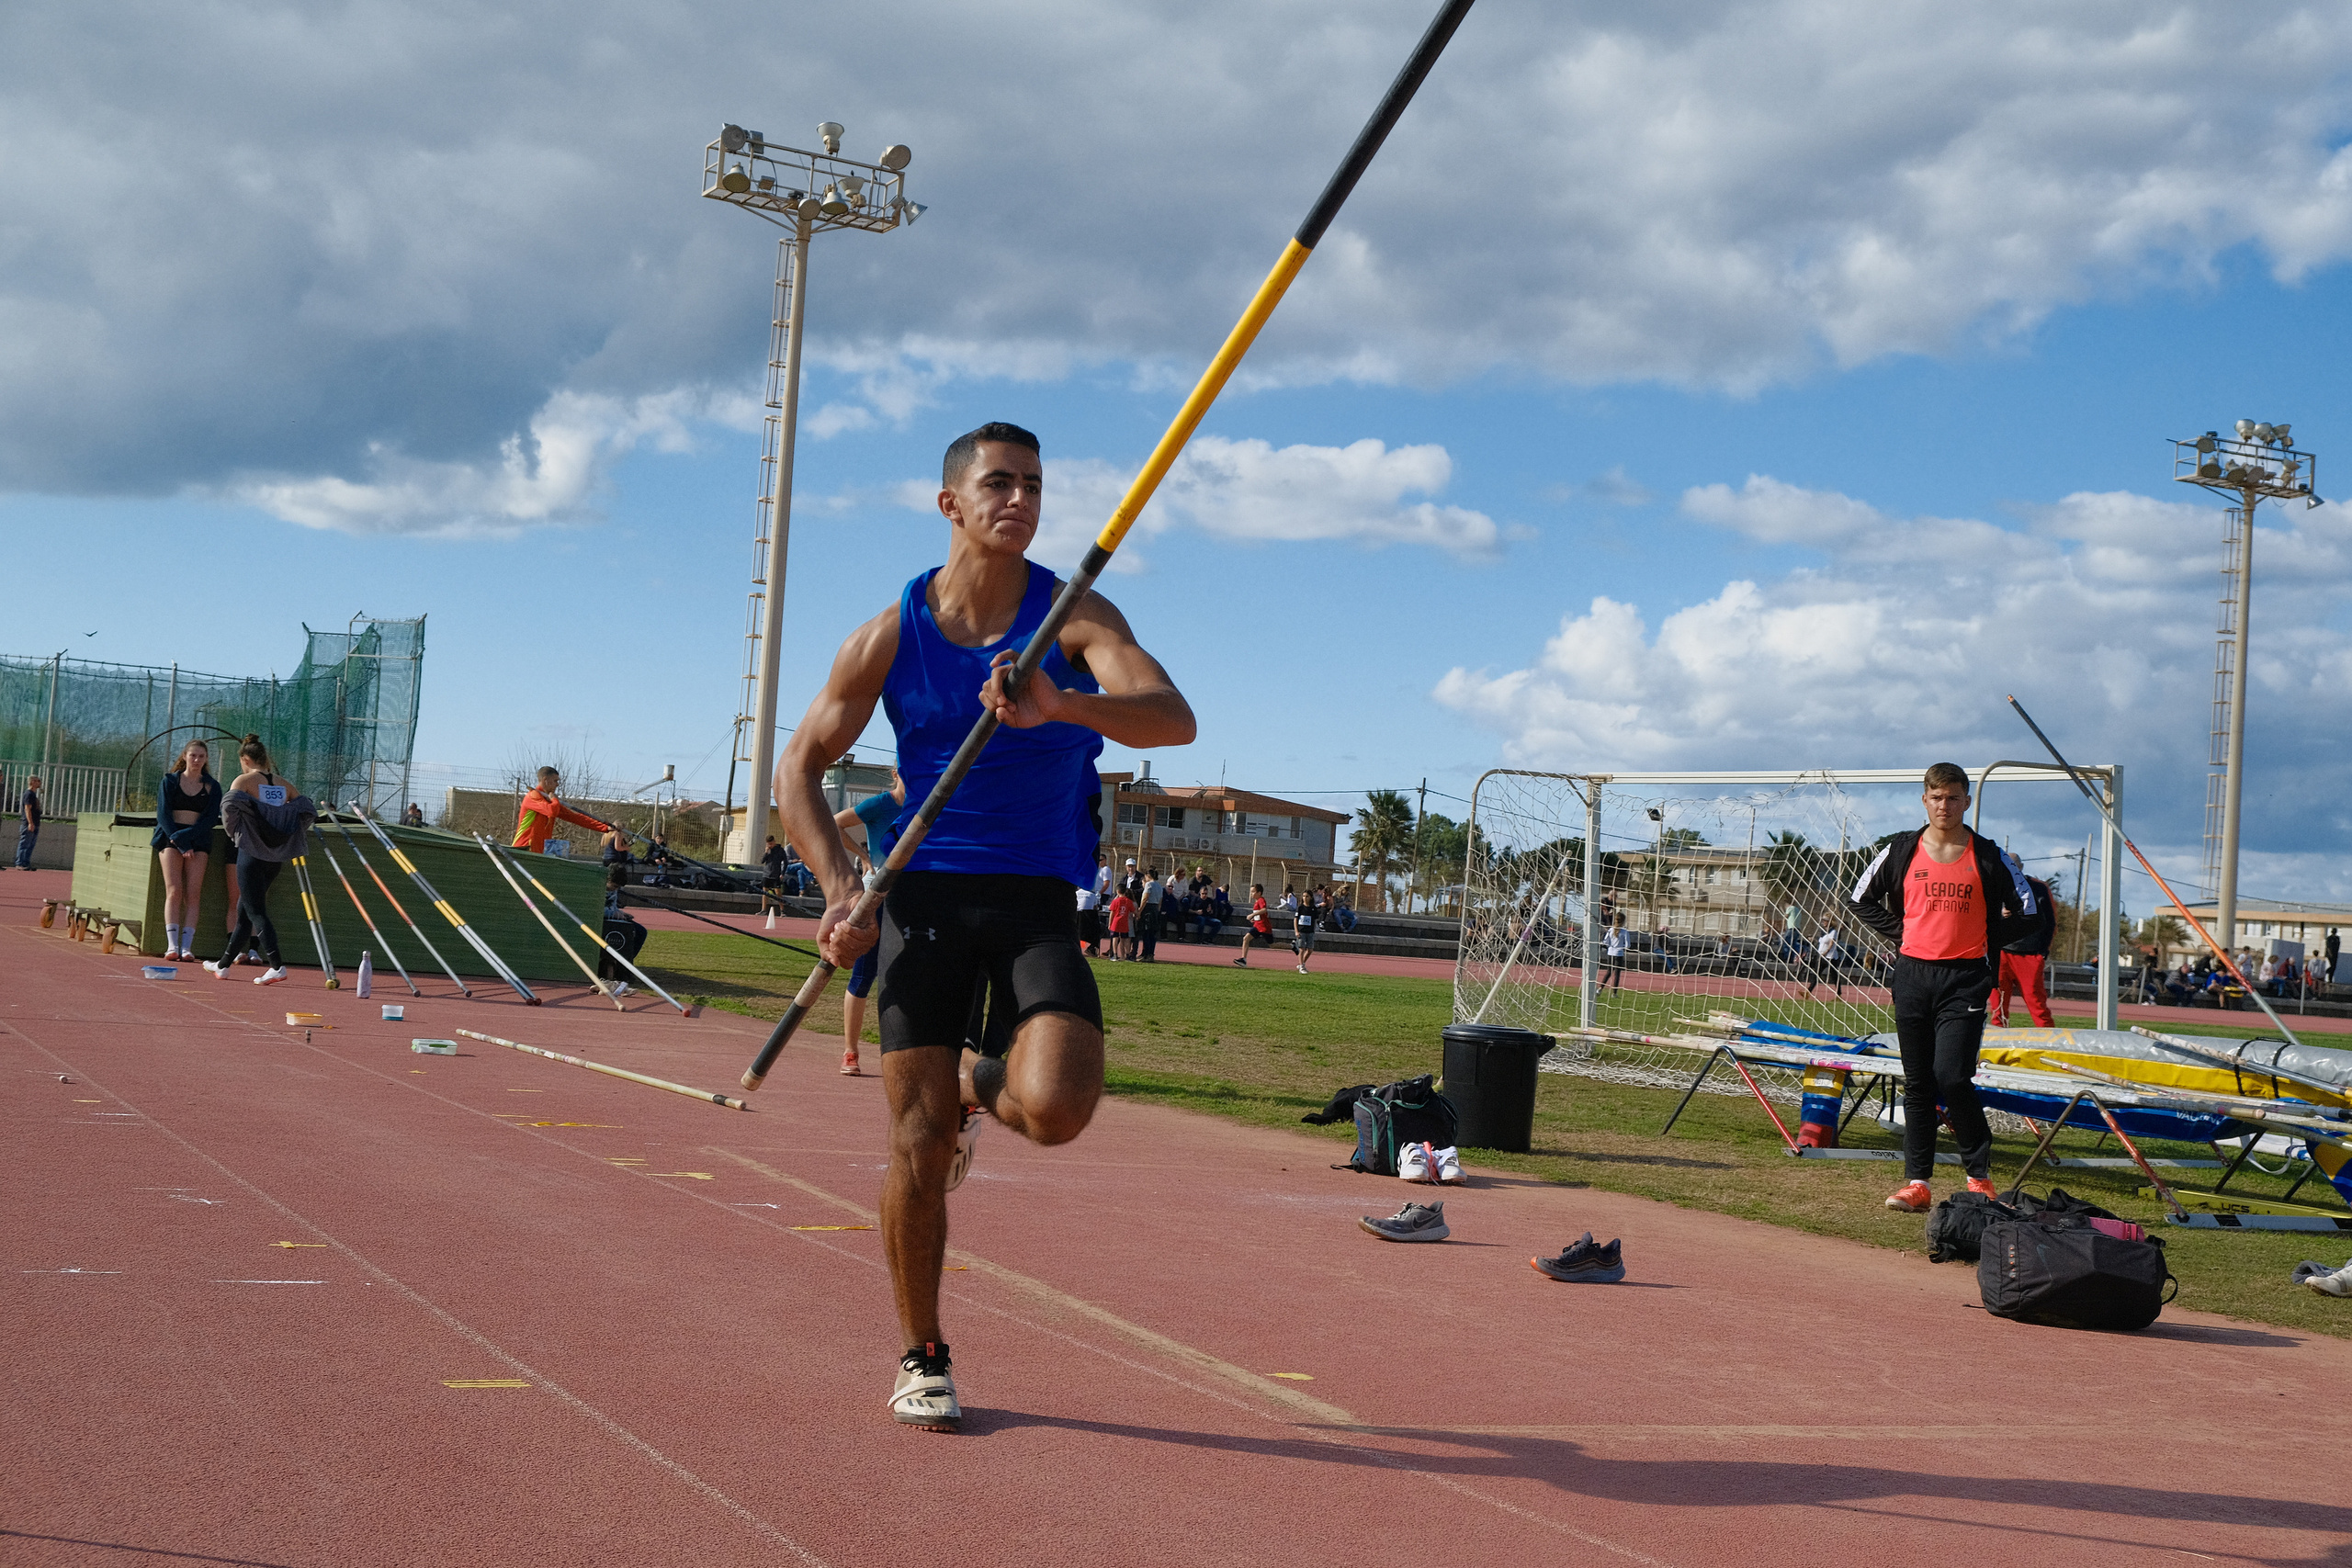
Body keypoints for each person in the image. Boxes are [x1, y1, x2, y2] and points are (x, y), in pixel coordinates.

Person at [772, 421, 1193, 1430]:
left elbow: (1171, 716)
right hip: (921, 901)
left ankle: (976, 1084)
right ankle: (923, 1354)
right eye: (999, 483)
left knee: (1054, 1110)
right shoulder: (888, 637)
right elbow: (798, 770)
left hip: (1034, 901)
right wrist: (840, 890)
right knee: (913, 1146)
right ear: (950, 504)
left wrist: (1061, 707)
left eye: (1035, 486)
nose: (1021, 500)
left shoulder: (1072, 617)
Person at [1849, 762, 2037, 1213]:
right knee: (1917, 1083)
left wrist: (1986, 938)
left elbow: (2030, 914)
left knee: (1952, 1077)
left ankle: (1980, 1178)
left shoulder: (1989, 855)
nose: (1944, 805)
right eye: (1936, 797)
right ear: (1924, 800)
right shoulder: (1900, 850)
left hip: (1966, 979)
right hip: (1913, 976)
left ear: (1967, 801)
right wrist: (1902, 932)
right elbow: (1859, 899)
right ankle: (1917, 1183)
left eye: (1953, 797)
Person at [205, 735, 318, 987]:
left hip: (251, 854)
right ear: (266, 759)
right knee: (245, 911)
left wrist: (239, 834)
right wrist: (283, 833)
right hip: (274, 858)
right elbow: (306, 810)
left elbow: (228, 808)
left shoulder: (243, 780)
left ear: (245, 760)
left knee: (255, 911)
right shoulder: (285, 784)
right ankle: (223, 965)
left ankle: (277, 965)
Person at [831, 770, 910, 1077]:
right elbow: (835, 822)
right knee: (864, 975)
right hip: (875, 895)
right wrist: (864, 856)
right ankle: (851, 1051)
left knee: (907, 975)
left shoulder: (925, 801)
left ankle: (905, 1052)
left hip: (910, 898)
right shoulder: (880, 804)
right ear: (896, 773)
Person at [150, 739, 223, 961]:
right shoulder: (169, 781)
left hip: (198, 840)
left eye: (201, 756)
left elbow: (210, 818)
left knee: (193, 893)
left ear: (206, 759)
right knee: (174, 890)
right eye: (193, 756)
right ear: (184, 756)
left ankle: (186, 947)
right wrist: (179, 841)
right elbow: (163, 815)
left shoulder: (212, 786)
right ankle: (172, 946)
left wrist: (189, 839)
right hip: (170, 839)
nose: (197, 760)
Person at [512, 766, 611, 855]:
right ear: (545, 780)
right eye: (555, 781)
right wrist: (555, 800)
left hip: (540, 850)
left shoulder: (549, 801)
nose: (557, 784)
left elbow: (575, 817)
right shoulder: (533, 796)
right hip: (524, 848)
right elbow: (551, 811)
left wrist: (605, 828)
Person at [1234, 883, 1271, 965]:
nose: (1251, 894)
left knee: (1273, 945)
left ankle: (1292, 946)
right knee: (1246, 938)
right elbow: (1260, 915)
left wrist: (1252, 915)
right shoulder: (1256, 902)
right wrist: (1254, 919)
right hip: (1258, 926)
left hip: (1264, 927)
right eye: (1251, 892)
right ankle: (1243, 959)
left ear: (1259, 893)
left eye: (1253, 892)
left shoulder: (1261, 900)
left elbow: (1264, 909)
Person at [14, 774, 41, 870]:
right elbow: (27, 809)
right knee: (25, 843)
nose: (39, 783)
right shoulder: (29, 794)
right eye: (37, 781)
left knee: (30, 844)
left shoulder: (33, 794)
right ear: (32, 782)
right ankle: (20, 863)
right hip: (29, 823)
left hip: (35, 823)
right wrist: (30, 823)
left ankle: (26, 863)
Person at [1137, 868, 1165, 961]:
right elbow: (1160, 901)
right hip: (1155, 909)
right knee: (1153, 934)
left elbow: (1145, 898)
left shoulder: (1149, 884)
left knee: (1147, 932)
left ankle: (1146, 954)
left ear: (1148, 876)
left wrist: (1140, 911)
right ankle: (1151, 954)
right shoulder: (1159, 886)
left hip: (1148, 909)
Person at [1292, 885, 1320, 973]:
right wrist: (1296, 931)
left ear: (1311, 897)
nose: (1305, 898)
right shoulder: (1300, 908)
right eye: (1303, 896)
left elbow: (1315, 920)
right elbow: (1296, 919)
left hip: (1310, 931)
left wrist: (1314, 929)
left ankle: (1302, 963)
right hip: (1301, 931)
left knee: (1310, 950)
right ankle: (1301, 967)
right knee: (1301, 948)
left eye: (1307, 896)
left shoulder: (1313, 909)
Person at [1105, 884, 1136, 961]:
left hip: (1116, 922)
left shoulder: (1115, 901)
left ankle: (1115, 954)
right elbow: (1133, 911)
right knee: (1125, 939)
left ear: (1118, 891)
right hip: (1124, 922)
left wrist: (1110, 923)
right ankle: (1128, 955)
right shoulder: (1129, 901)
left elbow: (1112, 913)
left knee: (1115, 938)